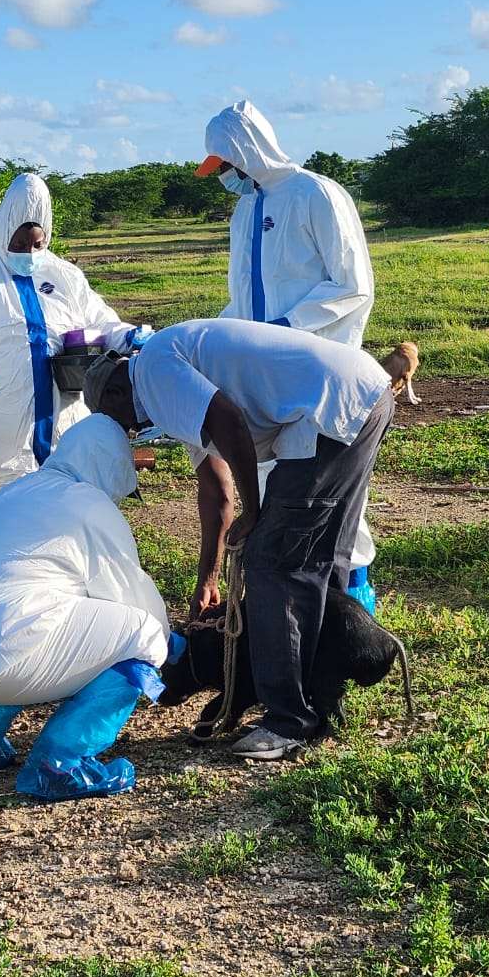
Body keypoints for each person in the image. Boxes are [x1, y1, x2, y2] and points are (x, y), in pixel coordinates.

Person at [83, 318, 394, 762]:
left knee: (273, 561)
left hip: (331, 409)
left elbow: (230, 424)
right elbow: (215, 487)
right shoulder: (170, 381)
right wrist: (208, 577)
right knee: (319, 554)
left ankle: (288, 721)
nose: (132, 433)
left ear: (115, 394)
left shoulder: (152, 374)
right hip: (357, 397)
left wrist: (255, 511)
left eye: (121, 424)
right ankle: (324, 698)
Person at [0, 414, 173, 800]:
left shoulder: (16, 490)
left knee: (15, 617)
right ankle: (61, 764)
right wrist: (169, 642)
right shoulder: (89, 504)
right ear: (110, 469)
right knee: (144, 635)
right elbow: (130, 596)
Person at [195, 100, 377, 610]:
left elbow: (351, 285)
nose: (224, 177)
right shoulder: (246, 208)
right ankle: (285, 600)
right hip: (264, 376)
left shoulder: (316, 194)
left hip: (316, 369)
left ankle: (353, 599)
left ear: (247, 151)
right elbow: (245, 294)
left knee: (330, 486)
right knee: (275, 483)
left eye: (226, 165)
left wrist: (285, 331)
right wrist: (222, 333)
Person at [0, 172, 150, 501]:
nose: (28, 253)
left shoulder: (64, 276)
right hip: (7, 437)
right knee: (10, 521)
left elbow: (98, 320)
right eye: (19, 245)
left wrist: (131, 336)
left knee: (66, 514)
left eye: (37, 245)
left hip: (66, 427)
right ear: (3, 234)